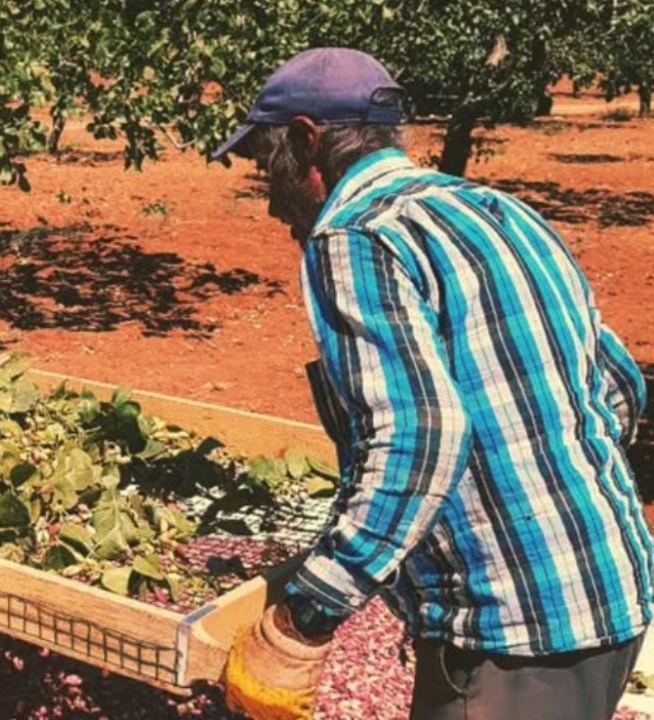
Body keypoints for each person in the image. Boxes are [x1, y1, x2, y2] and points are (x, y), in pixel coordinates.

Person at [214, 48, 652, 720]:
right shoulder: (494, 210)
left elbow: (421, 437)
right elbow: (618, 383)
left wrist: (308, 612)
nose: (272, 202)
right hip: (613, 590)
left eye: (264, 171)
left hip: (514, 630)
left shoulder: (354, 237)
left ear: (307, 143)